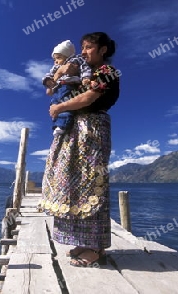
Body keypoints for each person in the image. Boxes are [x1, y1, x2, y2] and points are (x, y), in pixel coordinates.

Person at [38, 32, 120, 267]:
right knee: (72, 184)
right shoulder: (82, 71)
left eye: (88, 47)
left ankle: (96, 247)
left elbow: (88, 98)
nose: (83, 52)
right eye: (82, 47)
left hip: (92, 130)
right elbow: (56, 82)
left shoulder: (107, 73)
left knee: (91, 182)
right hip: (75, 130)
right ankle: (83, 242)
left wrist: (59, 107)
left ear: (103, 49)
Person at [42, 40, 92, 136]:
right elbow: (49, 76)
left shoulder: (76, 60)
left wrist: (85, 77)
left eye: (58, 58)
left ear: (67, 56)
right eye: (54, 59)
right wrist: (47, 81)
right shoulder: (56, 67)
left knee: (65, 104)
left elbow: (85, 68)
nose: (56, 61)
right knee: (54, 104)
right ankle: (56, 124)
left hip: (69, 86)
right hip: (57, 89)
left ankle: (63, 125)